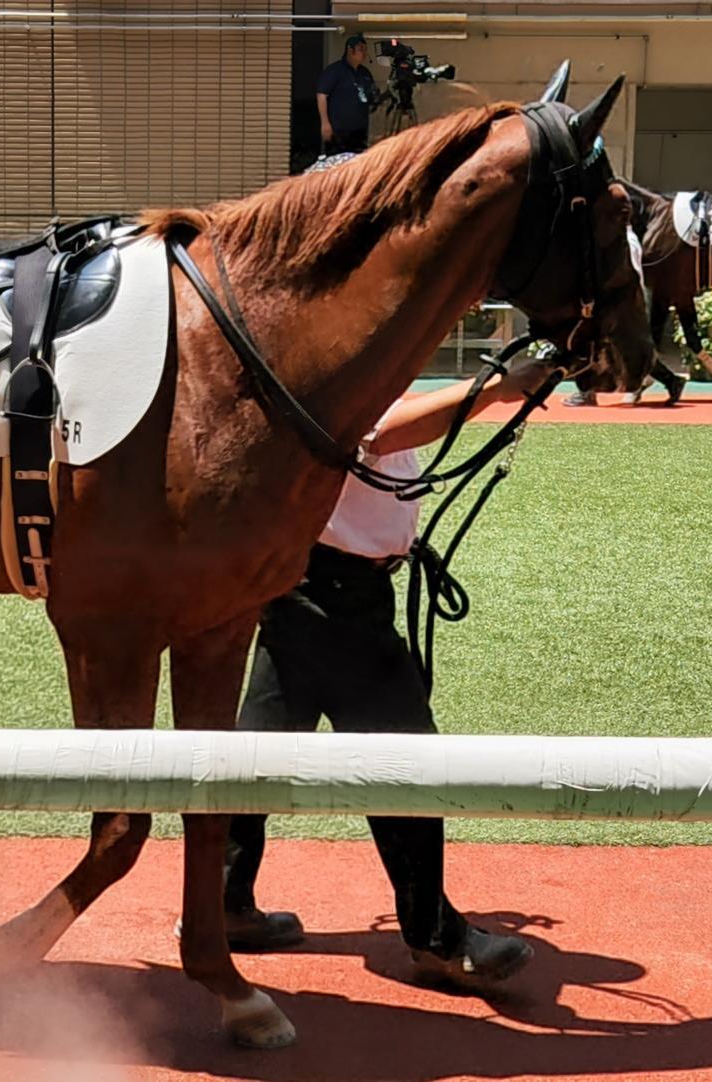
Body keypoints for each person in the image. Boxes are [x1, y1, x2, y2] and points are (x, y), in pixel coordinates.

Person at [214, 359, 552, 984]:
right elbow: (385, 434)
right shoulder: (340, 380)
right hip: (336, 601)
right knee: (406, 762)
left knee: (257, 757)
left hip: (319, 591)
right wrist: (502, 387)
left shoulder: (351, 372)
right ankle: (436, 937)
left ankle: (222, 907)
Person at [316, 33, 378, 158]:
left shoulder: (365, 72)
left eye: (365, 50)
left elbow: (371, 95)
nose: (364, 53)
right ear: (350, 50)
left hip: (360, 128)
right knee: (337, 161)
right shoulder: (335, 70)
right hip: (339, 129)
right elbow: (322, 95)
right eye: (361, 49)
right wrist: (325, 123)